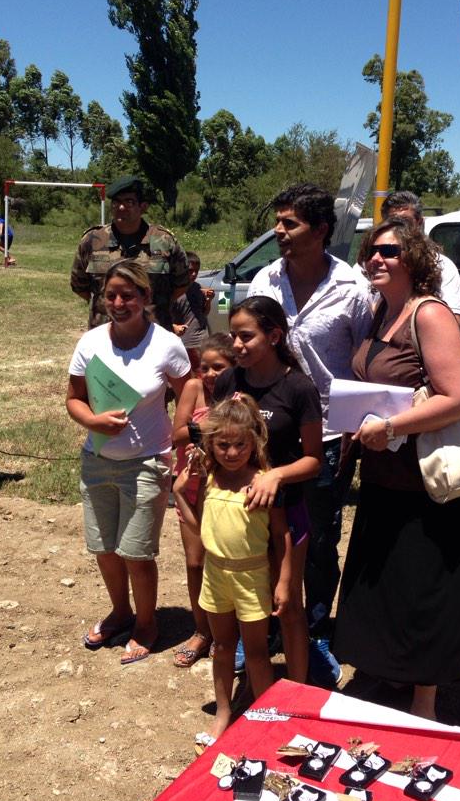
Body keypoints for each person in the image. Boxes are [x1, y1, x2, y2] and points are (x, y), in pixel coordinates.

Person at [332, 218, 460, 720]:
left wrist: (392, 425)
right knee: (389, 583)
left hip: (426, 482)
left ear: (415, 259)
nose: (376, 259)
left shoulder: (429, 314)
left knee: (426, 588)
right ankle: (389, 674)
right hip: (386, 479)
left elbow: (459, 397)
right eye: (371, 251)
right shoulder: (383, 311)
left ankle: (424, 701)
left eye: (389, 251)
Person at [247, 183, 373, 684]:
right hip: (266, 433)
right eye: (278, 221)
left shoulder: (353, 290)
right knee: (261, 536)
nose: (279, 232)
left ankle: (316, 629)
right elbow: (249, 346)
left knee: (317, 538)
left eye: (290, 223)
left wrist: (353, 423)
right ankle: (267, 628)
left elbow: (366, 361)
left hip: (324, 437)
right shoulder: (265, 280)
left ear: (321, 231)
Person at [66, 260, 191, 663]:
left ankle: (147, 623)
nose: (119, 303)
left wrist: (184, 439)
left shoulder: (166, 344)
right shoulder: (90, 342)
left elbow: (190, 393)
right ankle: (121, 613)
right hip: (97, 460)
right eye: (111, 295)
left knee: (136, 552)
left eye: (128, 295)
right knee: (104, 548)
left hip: (147, 462)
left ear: (145, 298)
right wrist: (92, 419)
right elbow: (73, 397)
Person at [214, 295, 322, 683]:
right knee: (247, 602)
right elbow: (218, 440)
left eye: (246, 336)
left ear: (274, 336)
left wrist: (275, 475)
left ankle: (298, 689)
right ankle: (258, 682)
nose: (237, 345)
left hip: (286, 512)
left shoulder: (298, 388)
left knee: (288, 604)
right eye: (233, 337)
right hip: (238, 513)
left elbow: (314, 459)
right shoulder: (228, 381)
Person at [173, 395, 292, 743]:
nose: (231, 452)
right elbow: (201, 529)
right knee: (223, 648)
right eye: (222, 444)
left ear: (253, 441)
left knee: (256, 653)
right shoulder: (210, 479)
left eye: (240, 443)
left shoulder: (264, 481)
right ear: (210, 444)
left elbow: (281, 536)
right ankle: (225, 712)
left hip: (252, 577)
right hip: (215, 576)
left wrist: (283, 581)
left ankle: (264, 714)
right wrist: (180, 494)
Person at [170, 333, 236, 667]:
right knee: (195, 562)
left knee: (223, 561)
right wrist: (208, 427)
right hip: (191, 483)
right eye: (204, 367)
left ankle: (227, 632)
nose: (209, 375)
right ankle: (201, 629)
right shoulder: (194, 390)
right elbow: (177, 432)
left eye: (218, 368)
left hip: (223, 488)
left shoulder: (240, 394)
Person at [70, 175, 190, 331]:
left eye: (129, 202)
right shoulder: (93, 240)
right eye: (116, 202)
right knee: (96, 357)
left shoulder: (163, 241)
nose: (121, 208)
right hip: (105, 334)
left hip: (152, 333)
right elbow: (79, 285)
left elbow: (182, 283)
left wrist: (153, 306)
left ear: (143, 207)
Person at [381, 191, 460, 322]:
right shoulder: (370, 264)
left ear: (419, 222)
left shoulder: (442, 265)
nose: (400, 228)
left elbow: (451, 322)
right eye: (393, 222)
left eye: (405, 221)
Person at [171, 251, 214, 371]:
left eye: (197, 271)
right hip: (186, 344)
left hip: (203, 341)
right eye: (190, 271)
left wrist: (209, 300)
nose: (194, 274)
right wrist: (174, 327)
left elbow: (204, 313)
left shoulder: (197, 287)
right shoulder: (174, 292)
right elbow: (160, 318)